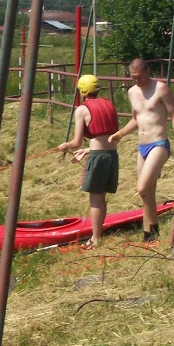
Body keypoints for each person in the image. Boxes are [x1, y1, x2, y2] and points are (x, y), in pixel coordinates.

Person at [109, 58, 174, 242]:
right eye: (133, 77)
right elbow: (136, 119)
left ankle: (153, 229)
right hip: (142, 146)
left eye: (139, 77)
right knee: (147, 192)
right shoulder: (132, 92)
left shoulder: (160, 88)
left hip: (159, 144)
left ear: (147, 72)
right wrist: (120, 134)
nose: (136, 81)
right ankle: (149, 233)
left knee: (141, 188)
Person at [56, 74, 120, 249]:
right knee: (102, 198)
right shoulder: (109, 105)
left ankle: (96, 239)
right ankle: (97, 235)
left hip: (98, 157)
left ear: (82, 91)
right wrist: (88, 150)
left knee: (95, 199)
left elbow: (76, 142)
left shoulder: (82, 110)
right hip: (112, 156)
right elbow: (112, 137)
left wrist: (65, 146)